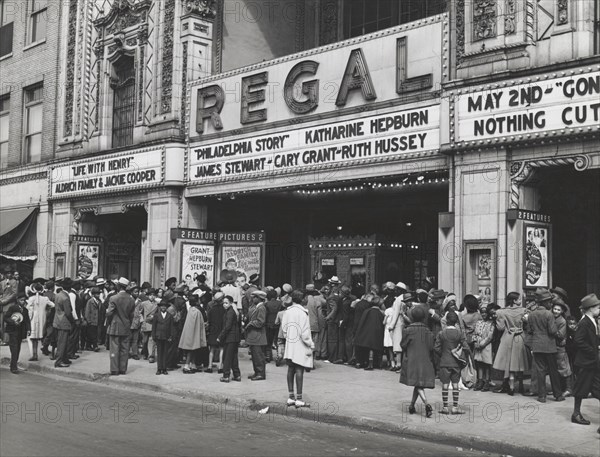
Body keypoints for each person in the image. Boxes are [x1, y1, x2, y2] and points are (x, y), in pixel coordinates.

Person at [525, 288, 565, 402]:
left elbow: (529, 330)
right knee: (553, 371)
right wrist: (560, 335)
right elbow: (552, 331)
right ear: (544, 302)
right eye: (549, 301)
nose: (550, 303)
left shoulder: (532, 314)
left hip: (537, 345)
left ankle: (541, 396)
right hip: (549, 346)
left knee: (540, 371)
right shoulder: (549, 314)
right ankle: (558, 395)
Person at [570, 293, 600, 432]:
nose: (599, 309)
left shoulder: (592, 320)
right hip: (586, 362)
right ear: (590, 308)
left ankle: (576, 414)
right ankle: (576, 414)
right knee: (581, 388)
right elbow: (578, 341)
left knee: (596, 389)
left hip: (591, 362)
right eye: (598, 307)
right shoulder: (584, 322)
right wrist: (592, 351)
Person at [400, 305, 435, 418]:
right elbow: (431, 347)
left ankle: (426, 403)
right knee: (418, 383)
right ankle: (411, 406)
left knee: (417, 383)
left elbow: (403, 345)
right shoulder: (428, 331)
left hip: (412, 359)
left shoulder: (408, 330)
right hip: (425, 360)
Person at [282, 290, 314, 408]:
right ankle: (299, 398)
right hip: (300, 344)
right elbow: (305, 333)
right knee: (299, 369)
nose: (307, 300)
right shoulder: (303, 313)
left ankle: (291, 396)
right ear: (302, 299)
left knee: (291, 368)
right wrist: (310, 344)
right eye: (305, 298)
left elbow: (284, 329)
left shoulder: (287, 312)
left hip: (290, 342)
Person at [492, 292, 529, 395]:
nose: (520, 301)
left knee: (509, 362)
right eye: (519, 299)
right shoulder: (523, 311)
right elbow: (527, 323)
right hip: (520, 337)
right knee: (520, 362)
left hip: (507, 337)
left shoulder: (501, 312)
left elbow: (501, 328)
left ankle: (511, 387)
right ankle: (521, 386)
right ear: (514, 301)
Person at [435, 311, 469, 414]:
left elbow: (436, 348)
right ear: (456, 321)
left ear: (447, 320)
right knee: (455, 385)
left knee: (445, 384)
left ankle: (445, 407)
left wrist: (443, 354)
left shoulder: (441, 333)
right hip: (456, 363)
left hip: (444, 362)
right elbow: (466, 347)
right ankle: (455, 407)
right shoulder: (459, 334)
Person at [105, 277, 136, 375]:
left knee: (114, 349)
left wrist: (108, 318)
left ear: (118, 286)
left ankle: (114, 369)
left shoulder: (114, 298)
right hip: (126, 326)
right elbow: (132, 315)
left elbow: (109, 313)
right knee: (124, 349)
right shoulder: (131, 299)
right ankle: (123, 368)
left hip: (115, 326)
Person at [354, 295, 385, 370]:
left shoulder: (367, 311)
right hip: (377, 335)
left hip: (366, 334)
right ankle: (376, 363)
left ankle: (362, 362)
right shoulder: (381, 313)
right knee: (373, 345)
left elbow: (362, 323)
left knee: (365, 344)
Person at [179, 295, 207, 373]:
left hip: (190, 332)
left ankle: (193, 364)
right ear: (197, 301)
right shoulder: (196, 311)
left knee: (193, 350)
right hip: (193, 333)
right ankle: (187, 366)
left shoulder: (191, 310)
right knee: (191, 350)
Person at [26, 282, 54, 361]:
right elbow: (52, 305)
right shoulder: (45, 299)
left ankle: (34, 354)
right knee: (40, 336)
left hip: (33, 319)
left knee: (33, 338)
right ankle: (39, 353)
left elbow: (29, 311)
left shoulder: (31, 299)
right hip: (42, 319)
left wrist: (29, 319)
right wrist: (46, 309)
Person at [551, 297, 573, 397]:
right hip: (553, 347)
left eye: (558, 310)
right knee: (556, 368)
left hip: (560, 347)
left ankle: (568, 389)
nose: (556, 311)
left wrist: (550, 330)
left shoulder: (562, 321)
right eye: (555, 309)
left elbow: (560, 334)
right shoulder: (552, 318)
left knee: (564, 368)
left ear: (562, 311)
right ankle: (559, 388)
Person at [217, 295, 241, 382]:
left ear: (231, 303)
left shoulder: (230, 312)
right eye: (223, 303)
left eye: (226, 303)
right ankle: (237, 374)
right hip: (234, 337)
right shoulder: (231, 311)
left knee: (226, 357)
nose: (224, 305)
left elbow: (228, 326)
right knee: (233, 357)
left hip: (230, 337)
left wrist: (220, 337)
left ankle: (226, 375)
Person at [4, 294, 31, 373]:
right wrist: (13, 322)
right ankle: (13, 367)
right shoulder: (12, 308)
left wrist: (29, 329)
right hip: (12, 331)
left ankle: (14, 363)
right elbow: (6, 317)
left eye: (24, 300)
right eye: (21, 300)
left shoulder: (25, 310)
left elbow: (27, 321)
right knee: (14, 348)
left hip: (20, 332)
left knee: (18, 348)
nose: (23, 302)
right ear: (18, 300)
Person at [245, 289, 267, 380]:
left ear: (259, 298)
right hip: (254, 335)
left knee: (258, 356)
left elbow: (260, 322)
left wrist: (251, 323)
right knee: (254, 356)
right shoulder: (255, 307)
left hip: (258, 335)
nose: (252, 299)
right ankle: (257, 372)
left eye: (254, 297)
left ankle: (260, 373)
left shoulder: (261, 308)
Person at [472, 304, 495, 391]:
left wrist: (482, 343)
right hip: (478, 345)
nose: (484, 314)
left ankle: (487, 381)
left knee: (487, 364)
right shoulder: (478, 322)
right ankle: (480, 380)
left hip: (486, 345)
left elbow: (490, 336)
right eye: (482, 312)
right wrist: (475, 341)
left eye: (485, 312)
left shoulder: (491, 323)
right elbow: (475, 333)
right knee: (479, 364)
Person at [53, 278, 75, 367]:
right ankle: (59, 361)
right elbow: (68, 312)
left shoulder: (58, 295)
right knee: (62, 342)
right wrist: (73, 321)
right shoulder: (66, 297)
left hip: (57, 319)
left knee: (62, 341)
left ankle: (64, 358)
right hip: (64, 321)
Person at [152, 300, 174, 375]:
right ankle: (159, 368)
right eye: (162, 306)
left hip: (166, 336)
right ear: (160, 307)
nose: (163, 307)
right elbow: (154, 326)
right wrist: (153, 336)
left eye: (165, 306)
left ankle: (164, 368)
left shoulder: (170, 316)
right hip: (158, 336)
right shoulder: (156, 315)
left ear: (167, 307)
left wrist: (171, 336)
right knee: (159, 352)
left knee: (165, 353)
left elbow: (171, 327)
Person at [206, 292, 225, 372]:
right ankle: (220, 366)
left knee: (212, 349)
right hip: (221, 330)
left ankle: (209, 366)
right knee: (221, 349)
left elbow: (208, 320)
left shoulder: (211, 310)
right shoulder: (224, 310)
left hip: (213, 330)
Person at [264, 288, 282, 362]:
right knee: (278, 341)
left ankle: (268, 356)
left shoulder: (266, 304)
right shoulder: (280, 303)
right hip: (278, 324)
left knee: (269, 341)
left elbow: (265, 314)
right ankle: (278, 355)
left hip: (269, 324)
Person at [140, 289, 158, 362]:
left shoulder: (157, 304)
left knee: (152, 340)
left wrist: (154, 317)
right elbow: (139, 312)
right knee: (145, 341)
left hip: (153, 323)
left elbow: (157, 313)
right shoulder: (143, 303)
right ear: (147, 296)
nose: (152, 297)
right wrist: (141, 320)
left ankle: (152, 355)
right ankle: (145, 353)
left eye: (153, 295)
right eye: (150, 295)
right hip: (145, 323)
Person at [83, 287, 101, 351]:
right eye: (97, 294)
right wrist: (88, 320)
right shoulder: (90, 301)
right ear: (93, 294)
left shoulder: (99, 301)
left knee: (93, 333)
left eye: (99, 294)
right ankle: (95, 346)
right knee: (92, 334)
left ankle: (88, 345)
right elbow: (87, 311)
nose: (98, 295)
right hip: (91, 320)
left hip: (96, 320)